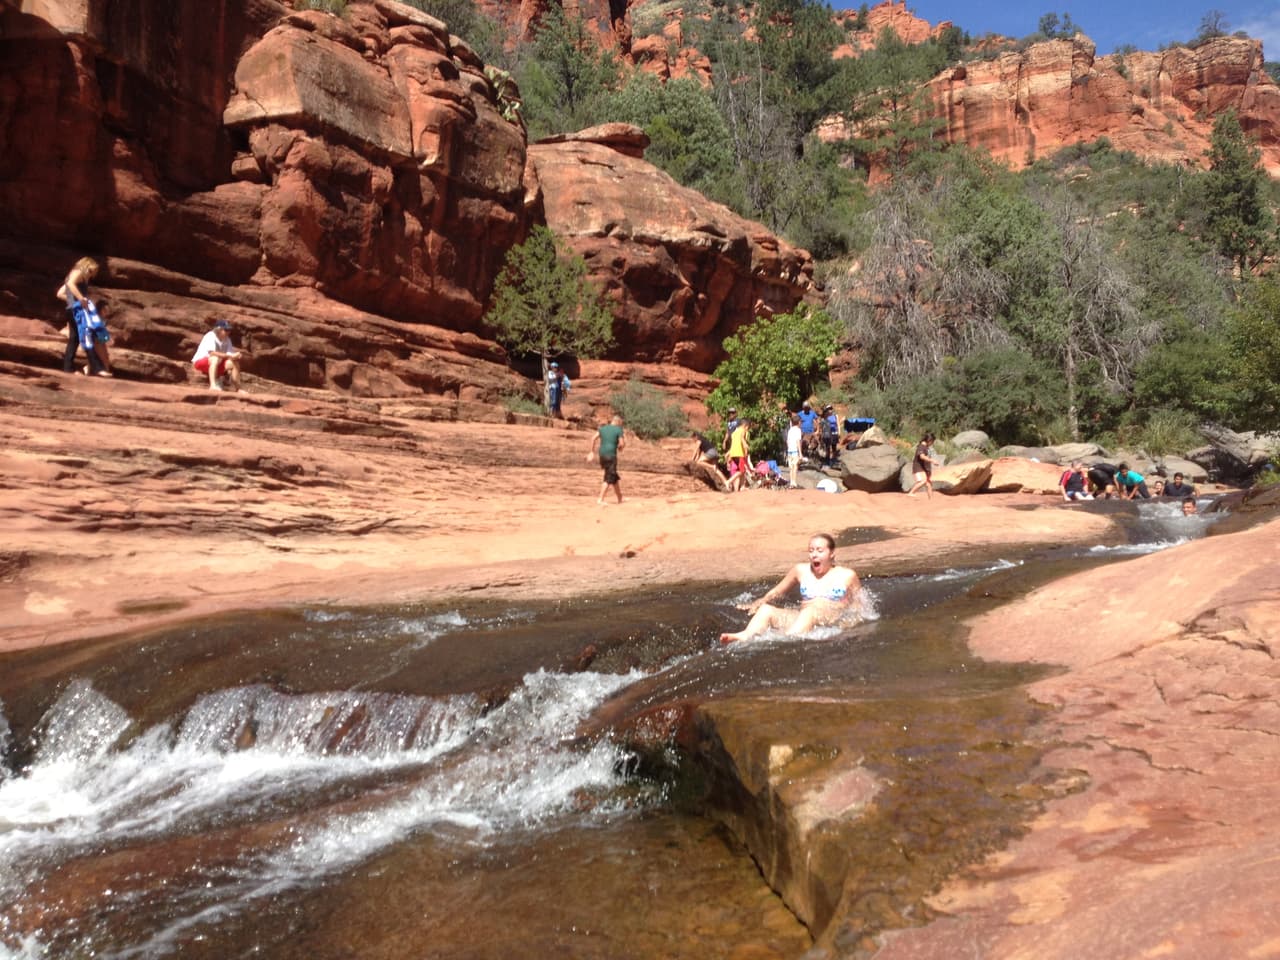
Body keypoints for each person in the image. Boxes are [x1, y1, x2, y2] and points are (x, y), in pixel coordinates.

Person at [719, 533, 861, 644]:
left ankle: (784, 640)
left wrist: (849, 625)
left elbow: (860, 606)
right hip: (803, 619)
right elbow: (777, 591)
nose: (814, 555)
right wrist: (759, 602)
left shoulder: (847, 575)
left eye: (820, 550)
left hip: (831, 621)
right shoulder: (800, 570)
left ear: (832, 553)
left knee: (810, 612)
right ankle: (745, 635)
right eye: (811, 550)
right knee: (766, 610)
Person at [56, 256, 110, 376]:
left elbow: (60, 293)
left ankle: (68, 368)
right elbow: (70, 284)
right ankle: (98, 368)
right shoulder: (78, 272)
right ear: (86, 265)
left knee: (74, 339)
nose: (91, 275)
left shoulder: (74, 275)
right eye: (90, 271)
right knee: (86, 335)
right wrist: (81, 299)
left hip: (73, 309)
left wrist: (74, 302)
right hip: (77, 311)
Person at [192, 319, 244, 391]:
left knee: (234, 362)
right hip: (200, 362)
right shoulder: (210, 336)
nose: (228, 332)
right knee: (215, 358)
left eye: (229, 330)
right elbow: (212, 353)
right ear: (218, 329)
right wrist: (230, 356)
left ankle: (238, 388)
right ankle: (213, 385)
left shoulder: (227, 339)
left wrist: (236, 356)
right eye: (226, 330)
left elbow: (229, 354)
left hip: (217, 364)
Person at [588, 414, 625, 504]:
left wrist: (591, 452)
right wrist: (620, 447)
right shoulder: (618, 430)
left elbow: (593, 438)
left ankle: (620, 498)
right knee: (608, 477)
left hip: (602, 455)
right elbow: (622, 444)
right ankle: (600, 499)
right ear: (618, 422)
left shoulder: (602, 428)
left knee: (613, 476)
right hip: (611, 455)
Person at [907, 432, 939, 498]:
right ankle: (911, 493)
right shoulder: (921, 447)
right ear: (929, 440)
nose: (932, 443)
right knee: (923, 481)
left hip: (924, 469)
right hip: (918, 468)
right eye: (932, 442)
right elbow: (922, 456)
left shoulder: (926, 447)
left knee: (928, 484)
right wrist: (932, 461)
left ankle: (931, 500)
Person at [725, 417, 752, 492]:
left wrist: (728, 455)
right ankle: (728, 481)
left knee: (741, 470)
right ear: (745, 425)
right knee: (742, 471)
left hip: (733, 454)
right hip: (740, 453)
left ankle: (742, 487)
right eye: (748, 427)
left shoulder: (734, 432)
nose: (748, 429)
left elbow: (733, 445)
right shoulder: (744, 431)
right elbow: (742, 438)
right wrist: (745, 446)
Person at [785, 413, 802, 489]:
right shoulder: (798, 430)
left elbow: (787, 441)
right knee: (795, 466)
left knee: (791, 467)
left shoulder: (790, 430)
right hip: (795, 450)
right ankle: (794, 482)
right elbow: (798, 441)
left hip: (789, 451)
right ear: (798, 422)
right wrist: (800, 453)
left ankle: (791, 482)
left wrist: (788, 448)